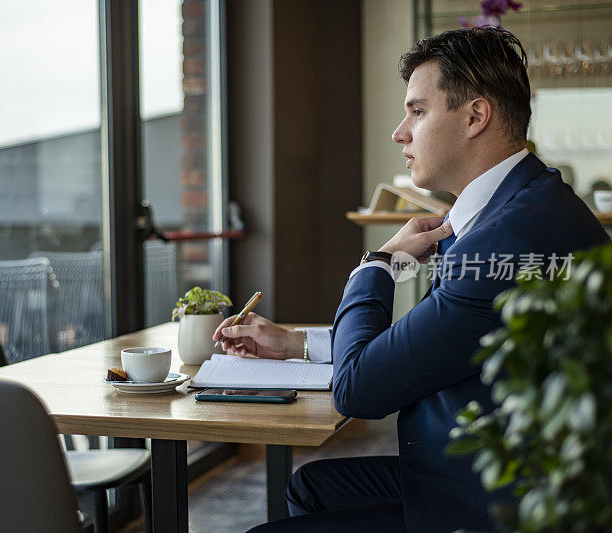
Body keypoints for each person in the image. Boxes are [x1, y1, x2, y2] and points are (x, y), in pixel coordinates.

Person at [218, 27, 610, 532]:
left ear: (476, 115)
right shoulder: (522, 202)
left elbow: (359, 390)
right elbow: (432, 338)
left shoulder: (508, 238)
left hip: (498, 500)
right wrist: (297, 343)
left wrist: (376, 265)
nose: (399, 132)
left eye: (418, 111)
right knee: (309, 487)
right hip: (491, 465)